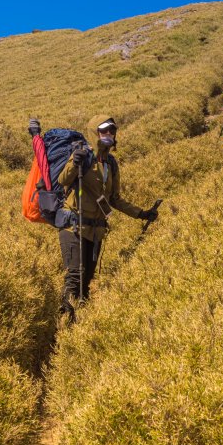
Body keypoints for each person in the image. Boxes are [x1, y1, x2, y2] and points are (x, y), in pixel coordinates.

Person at [29, 115, 157, 322]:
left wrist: (141, 214)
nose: (108, 135)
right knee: (74, 278)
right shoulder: (82, 155)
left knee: (87, 280)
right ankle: (63, 324)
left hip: (96, 230)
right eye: (103, 131)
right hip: (73, 226)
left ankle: (81, 322)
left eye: (111, 131)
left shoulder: (111, 164)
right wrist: (75, 161)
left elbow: (115, 199)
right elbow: (63, 180)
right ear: (94, 132)